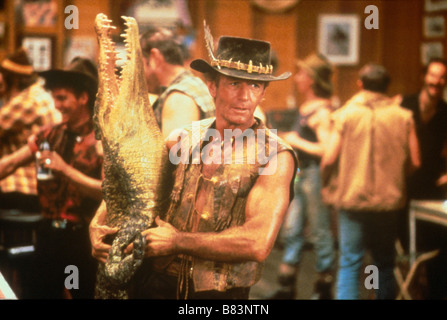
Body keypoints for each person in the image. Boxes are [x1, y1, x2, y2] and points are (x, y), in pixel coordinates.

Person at [90, 34, 298, 299]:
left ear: (263, 92)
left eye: (255, 85)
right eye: (234, 83)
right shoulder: (183, 138)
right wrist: (98, 223)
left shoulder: (274, 155)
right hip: (155, 282)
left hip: (220, 293)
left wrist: (178, 242)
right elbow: (135, 183)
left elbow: (258, 242)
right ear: (212, 86)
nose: (245, 96)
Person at [0, 57, 104, 298]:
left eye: (62, 98)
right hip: (49, 235)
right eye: (55, 98)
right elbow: (12, 162)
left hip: (84, 240)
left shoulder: (101, 141)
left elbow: (106, 191)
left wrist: (66, 171)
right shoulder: (49, 135)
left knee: (82, 293)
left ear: (83, 98)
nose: (56, 105)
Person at [321, 64, 420, 299]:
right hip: (388, 203)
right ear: (387, 86)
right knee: (384, 264)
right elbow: (416, 161)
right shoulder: (403, 117)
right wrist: (396, 179)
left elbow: (329, 159)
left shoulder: (345, 114)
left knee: (350, 262)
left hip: (352, 201)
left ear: (360, 84)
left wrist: (327, 184)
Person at [269, 53, 336, 299]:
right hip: (301, 174)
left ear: (312, 79)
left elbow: (328, 150)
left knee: (319, 231)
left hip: (315, 175)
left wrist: (296, 140)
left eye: (302, 74)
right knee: (292, 229)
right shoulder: (308, 108)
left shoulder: (322, 112)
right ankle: (286, 287)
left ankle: (323, 288)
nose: (297, 78)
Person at [400, 58, 447, 299]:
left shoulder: (445, 112)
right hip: (404, 183)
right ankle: (411, 286)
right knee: (405, 243)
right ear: (424, 77)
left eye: (442, 78)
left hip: (432, 187)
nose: (437, 82)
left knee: (438, 245)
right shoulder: (405, 104)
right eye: (433, 75)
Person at [0, 48, 61, 213]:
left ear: (10, 79)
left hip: (24, 185)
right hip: (45, 182)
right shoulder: (38, 93)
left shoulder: (25, 101)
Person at [140, 26, 215, 138]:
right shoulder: (192, 84)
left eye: (139, 63)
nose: (139, 74)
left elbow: (176, 153)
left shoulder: (179, 98)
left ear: (154, 57)